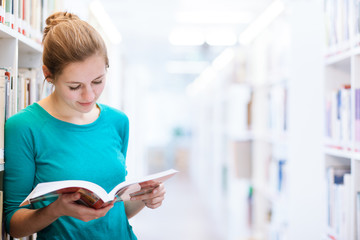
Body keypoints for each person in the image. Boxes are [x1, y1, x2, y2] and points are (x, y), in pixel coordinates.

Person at [3, 12, 166, 240]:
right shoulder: (24, 127)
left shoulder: (118, 122)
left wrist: (145, 200)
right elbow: (14, 225)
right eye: (74, 86)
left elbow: (114, 212)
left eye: (98, 81)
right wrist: (57, 209)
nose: (89, 95)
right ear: (48, 75)